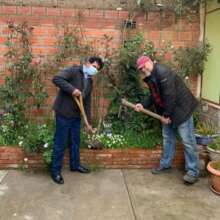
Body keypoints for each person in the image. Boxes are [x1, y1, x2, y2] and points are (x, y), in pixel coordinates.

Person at [135, 55, 199, 184]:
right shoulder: (152, 76)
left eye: (142, 67)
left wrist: (166, 115)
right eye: (140, 69)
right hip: (168, 112)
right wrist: (143, 104)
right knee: (167, 139)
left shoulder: (162, 72)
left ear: (148, 63)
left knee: (188, 141)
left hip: (182, 111)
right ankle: (166, 165)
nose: (142, 70)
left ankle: (193, 171)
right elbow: (154, 95)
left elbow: (170, 96)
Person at [51, 56, 104, 184]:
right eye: (94, 66)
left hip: (75, 116)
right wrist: (72, 90)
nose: (95, 70)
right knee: (61, 143)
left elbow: (86, 103)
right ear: (87, 63)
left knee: (75, 142)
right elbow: (56, 78)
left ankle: (75, 165)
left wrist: (88, 123)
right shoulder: (74, 71)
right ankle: (55, 171)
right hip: (63, 113)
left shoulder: (90, 81)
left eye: (97, 69)